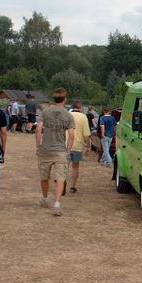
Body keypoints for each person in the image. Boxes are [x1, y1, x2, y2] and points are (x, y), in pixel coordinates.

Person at [36, 88, 75, 216]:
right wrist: (68, 150)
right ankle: (57, 204)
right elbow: (71, 135)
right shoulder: (68, 115)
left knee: (44, 177)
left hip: (45, 149)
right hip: (60, 151)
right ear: (65, 99)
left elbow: (39, 129)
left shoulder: (45, 112)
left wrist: (38, 145)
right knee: (60, 178)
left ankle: (45, 198)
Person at [66, 100, 91, 194]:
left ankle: (62, 183)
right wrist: (88, 146)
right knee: (75, 167)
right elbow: (86, 134)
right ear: (81, 107)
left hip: (66, 144)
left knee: (64, 166)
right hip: (77, 145)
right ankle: (73, 186)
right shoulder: (83, 117)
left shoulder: (67, 115)